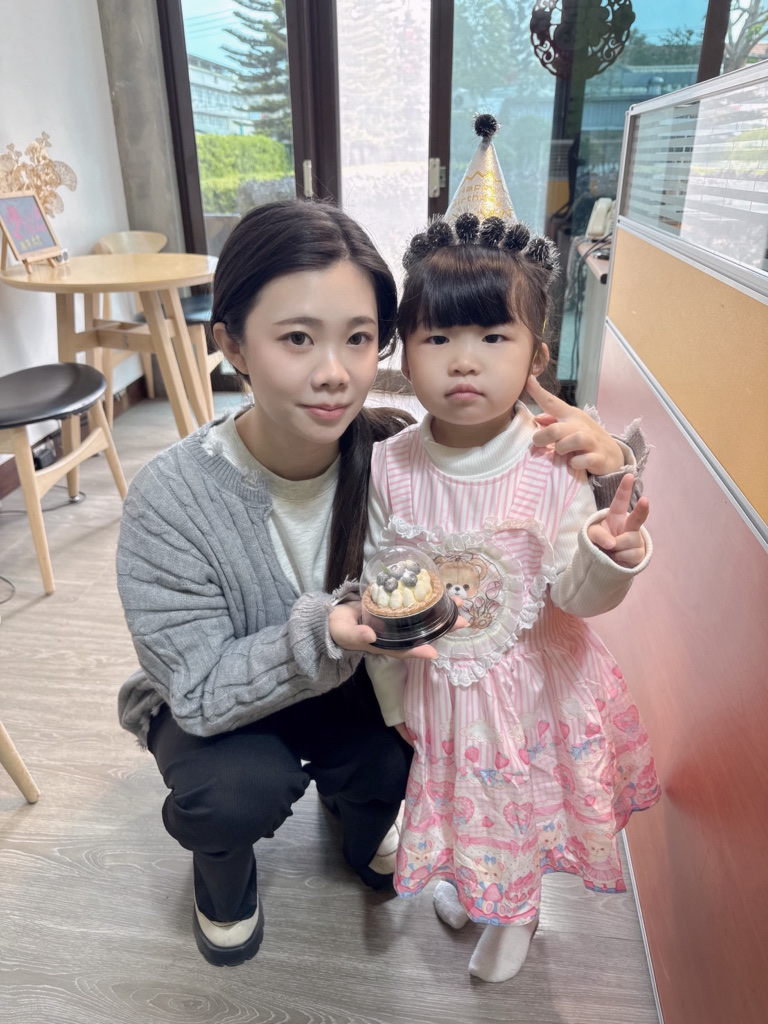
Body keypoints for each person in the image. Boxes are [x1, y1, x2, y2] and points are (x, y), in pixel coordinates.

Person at [115, 198, 647, 968]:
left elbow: (499, 490)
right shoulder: (170, 498)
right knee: (232, 794)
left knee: (401, 762)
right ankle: (221, 869)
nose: (334, 373)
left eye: (359, 338)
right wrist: (325, 633)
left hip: (348, 679)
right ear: (231, 343)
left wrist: (608, 465)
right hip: (222, 704)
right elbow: (194, 689)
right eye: (297, 338)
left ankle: (358, 811)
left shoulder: (389, 452)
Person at [363, 209, 660, 982]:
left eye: (494, 337)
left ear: (537, 354)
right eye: (437, 338)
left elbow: (577, 594)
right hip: (443, 688)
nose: (465, 361)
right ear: (404, 351)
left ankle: (518, 911)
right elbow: (382, 596)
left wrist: (607, 553)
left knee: (517, 803)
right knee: (464, 799)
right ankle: (476, 882)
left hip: (532, 692)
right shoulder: (390, 465)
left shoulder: (551, 460)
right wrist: (393, 699)